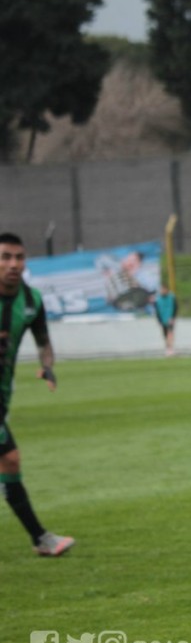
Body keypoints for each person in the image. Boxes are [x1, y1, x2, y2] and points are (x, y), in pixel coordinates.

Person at [0, 232, 75, 557]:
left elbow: (44, 342)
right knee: (10, 458)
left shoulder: (31, 301)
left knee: (9, 460)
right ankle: (41, 538)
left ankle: (40, 539)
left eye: (18, 257)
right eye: (5, 257)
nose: (13, 264)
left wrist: (47, 366)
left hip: (2, 394)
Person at [153, 284, 178, 356]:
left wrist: (173, 317)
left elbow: (175, 307)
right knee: (165, 334)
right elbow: (157, 310)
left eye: (164, 289)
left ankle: (170, 348)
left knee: (170, 333)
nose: (162, 291)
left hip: (170, 318)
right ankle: (168, 348)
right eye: (161, 289)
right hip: (163, 319)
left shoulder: (171, 297)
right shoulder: (158, 299)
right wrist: (159, 319)